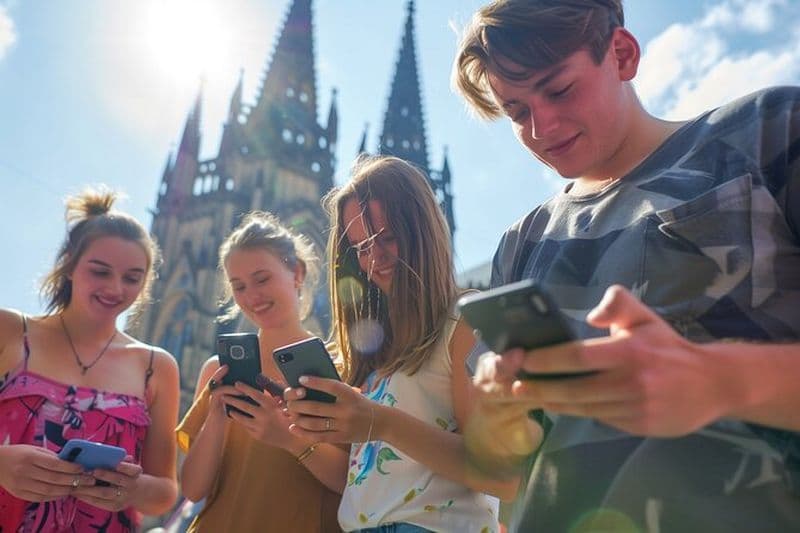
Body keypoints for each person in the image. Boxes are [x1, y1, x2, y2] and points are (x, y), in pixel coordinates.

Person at [451, 0, 800, 531]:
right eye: (517, 112)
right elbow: (502, 464)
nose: (541, 127)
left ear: (622, 53)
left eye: (559, 89)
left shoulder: (769, 130)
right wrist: (503, 424)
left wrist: (720, 381)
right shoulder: (521, 242)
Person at [284, 155, 515, 533]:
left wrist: (379, 421)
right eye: (359, 247)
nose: (372, 259)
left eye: (385, 237)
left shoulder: (466, 322)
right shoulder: (377, 351)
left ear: (421, 229)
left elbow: (502, 475)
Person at [0, 187, 180, 532]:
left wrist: (133, 489)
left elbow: (164, 491)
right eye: (100, 271)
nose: (115, 288)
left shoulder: (157, 366)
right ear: (69, 264)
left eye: (132, 278)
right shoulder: (9, 330)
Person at [176, 211, 347, 532]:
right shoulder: (217, 370)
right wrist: (215, 414)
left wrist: (288, 438)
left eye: (262, 279)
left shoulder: (341, 369)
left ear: (296, 272)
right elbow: (193, 489)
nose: (251, 297)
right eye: (238, 286)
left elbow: (351, 483)